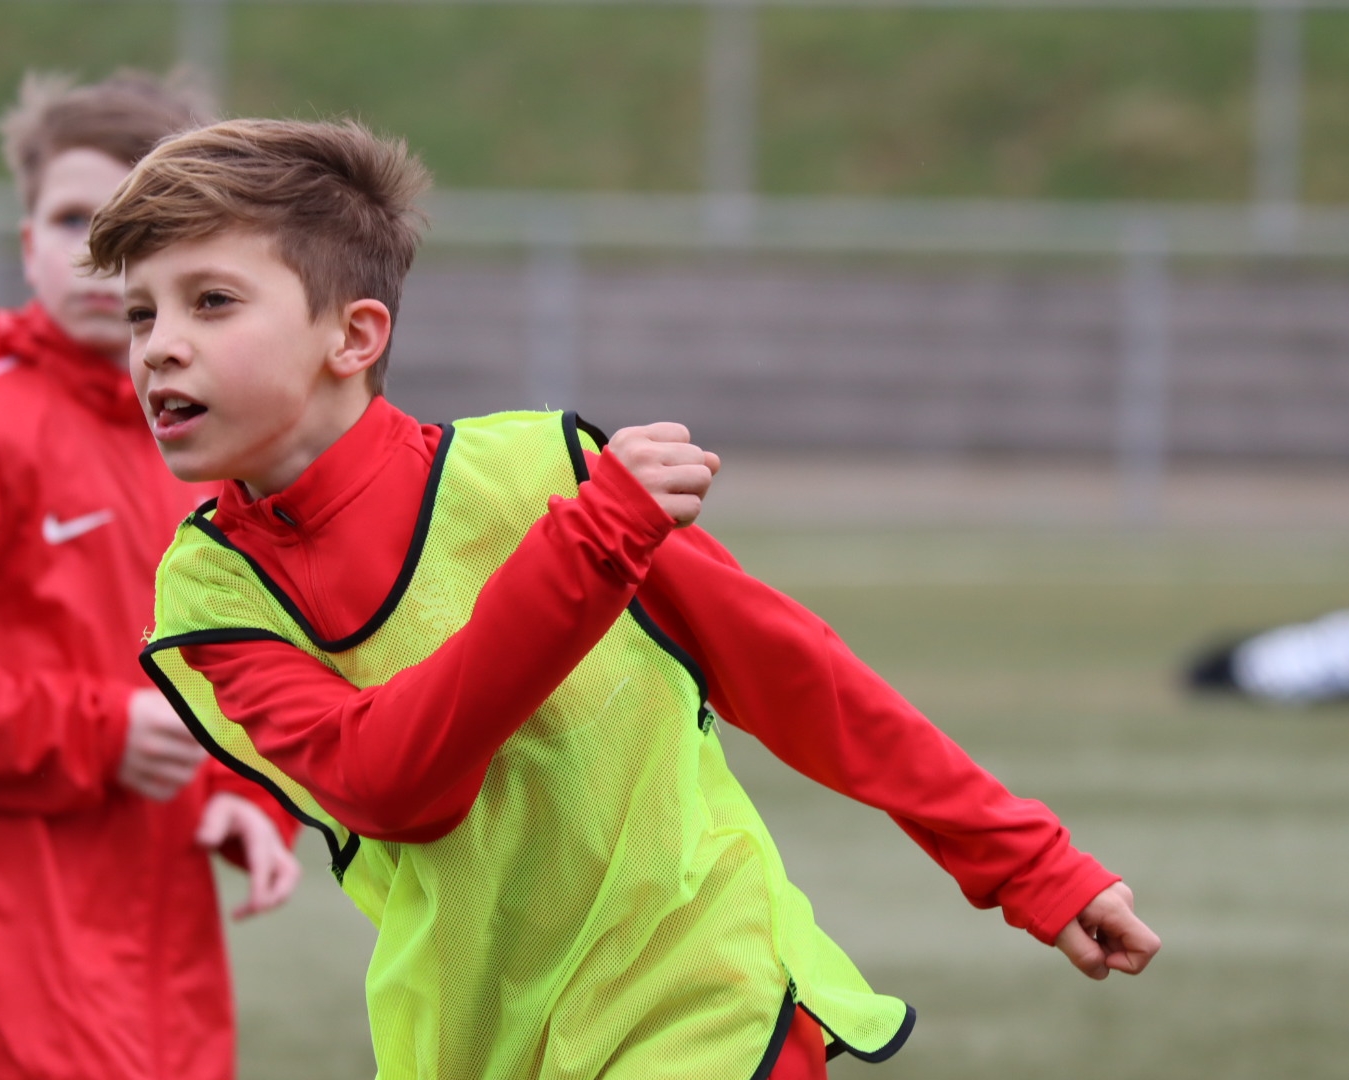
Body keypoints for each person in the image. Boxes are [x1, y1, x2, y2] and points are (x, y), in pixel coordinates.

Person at [86, 117, 1162, 1080]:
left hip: (702, 991)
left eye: (211, 302)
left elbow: (795, 674)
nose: (158, 345)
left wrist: (1031, 863)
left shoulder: (543, 473)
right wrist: (589, 545)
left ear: (355, 336)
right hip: (473, 1034)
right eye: (140, 314)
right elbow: (394, 786)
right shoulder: (207, 594)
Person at [0, 73, 301, 1080]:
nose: (92, 253)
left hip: (158, 951)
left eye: (128, 224)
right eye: (73, 219)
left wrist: (247, 799)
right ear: (27, 238)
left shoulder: (200, 449)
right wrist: (98, 733)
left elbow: (229, 669)